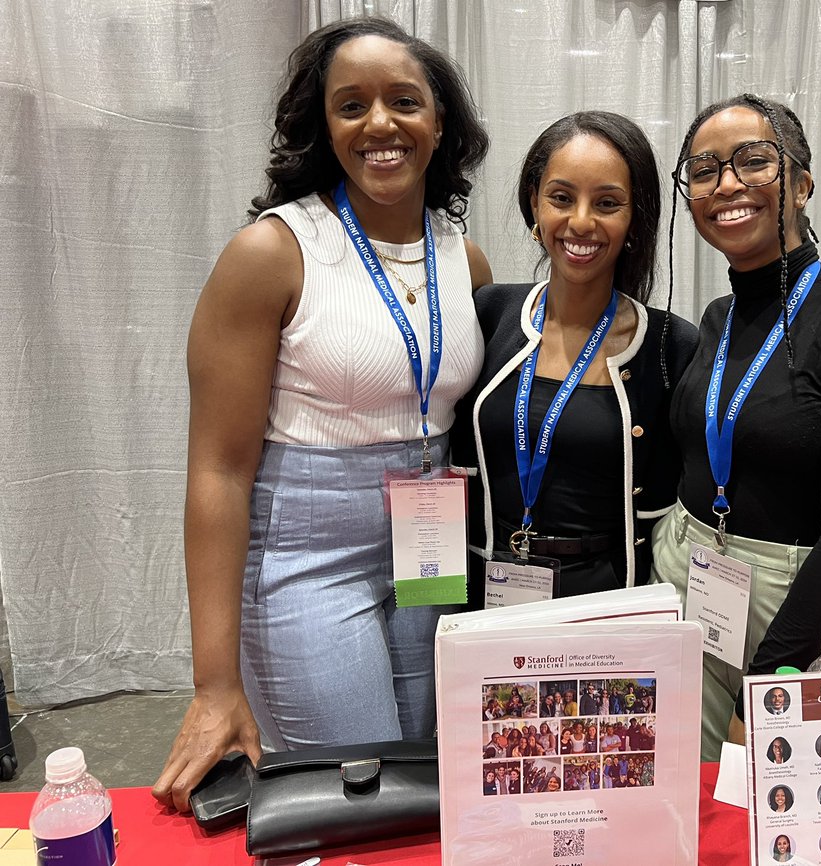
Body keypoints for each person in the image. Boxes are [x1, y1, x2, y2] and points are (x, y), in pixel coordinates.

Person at [151, 17, 492, 811]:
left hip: (427, 551)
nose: (380, 123)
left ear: (440, 124)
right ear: (324, 126)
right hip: (310, 558)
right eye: (351, 105)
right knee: (357, 791)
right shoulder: (273, 253)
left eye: (404, 101)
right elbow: (219, 470)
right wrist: (213, 684)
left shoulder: (462, 258)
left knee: (434, 777)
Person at [650, 93, 821, 760]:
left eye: (753, 161)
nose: (727, 183)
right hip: (698, 579)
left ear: (801, 183)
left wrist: (768, 683)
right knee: (700, 801)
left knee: (783, 821)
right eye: (704, 169)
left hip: (801, 606)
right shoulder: (717, 319)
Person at [453, 111, 698, 602]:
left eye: (607, 203)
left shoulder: (672, 345)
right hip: (485, 591)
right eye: (561, 198)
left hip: (609, 603)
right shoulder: (488, 313)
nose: (581, 221)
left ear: (635, 218)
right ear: (534, 206)